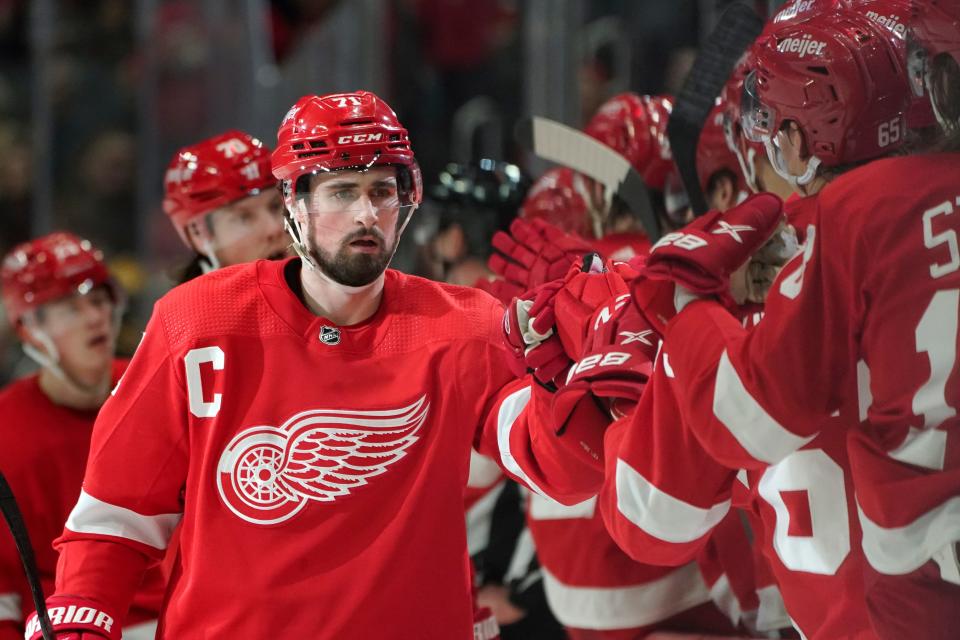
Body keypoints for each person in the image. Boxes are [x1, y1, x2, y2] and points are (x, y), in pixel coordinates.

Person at [23, 91, 557, 639]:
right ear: (294, 203)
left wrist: (582, 368)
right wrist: (81, 615)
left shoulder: (464, 326)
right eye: (342, 191)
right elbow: (117, 517)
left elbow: (559, 468)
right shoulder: (194, 320)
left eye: (382, 191)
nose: (366, 214)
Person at [617, 3, 960, 638]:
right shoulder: (923, 197)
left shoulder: (831, 231)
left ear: (796, 139)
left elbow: (652, 518)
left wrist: (687, 313)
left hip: (899, 596)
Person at [0, 233, 163, 640]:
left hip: (179, 616)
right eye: (70, 308)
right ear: (30, 330)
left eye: (98, 300)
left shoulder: (159, 383)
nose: (95, 317)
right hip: (69, 627)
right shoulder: (5, 432)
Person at [162, 129, 290, 282]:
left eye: (276, 207)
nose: (274, 228)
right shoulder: (183, 306)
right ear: (198, 233)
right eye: (244, 217)